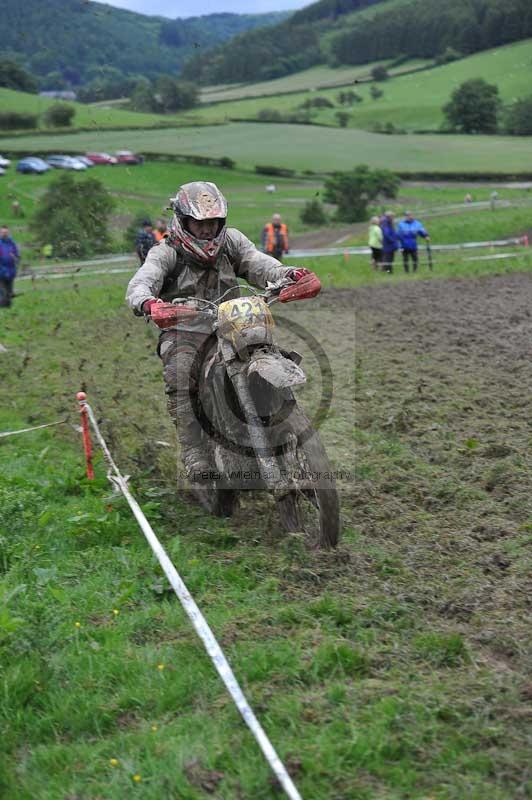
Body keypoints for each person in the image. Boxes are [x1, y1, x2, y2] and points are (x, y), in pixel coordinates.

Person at [126, 181, 311, 481]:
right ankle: (193, 451)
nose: (208, 231)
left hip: (234, 322)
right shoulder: (166, 251)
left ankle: (278, 417)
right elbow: (142, 281)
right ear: (184, 222)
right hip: (184, 330)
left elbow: (259, 263)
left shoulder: (232, 242)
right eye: (200, 224)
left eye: (213, 223)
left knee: (270, 351)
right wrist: (148, 303)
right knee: (182, 372)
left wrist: (288, 274)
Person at [0, 226, 20, 308]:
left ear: (8, 233)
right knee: (3, 292)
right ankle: (2, 307)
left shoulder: (12, 244)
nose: (4, 234)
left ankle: (8, 308)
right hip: (1, 271)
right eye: (2, 232)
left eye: (6, 232)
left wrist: (15, 257)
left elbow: (17, 257)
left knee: (9, 292)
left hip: (11, 271)